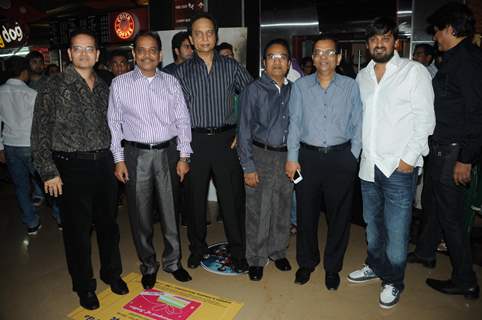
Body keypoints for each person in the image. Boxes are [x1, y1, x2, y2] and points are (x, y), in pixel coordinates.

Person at [31, 30, 127, 310]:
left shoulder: (105, 86)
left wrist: (119, 159)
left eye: (90, 49)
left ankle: (112, 274)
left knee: (109, 225)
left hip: (105, 164)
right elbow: (39, 131)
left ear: (98, 55)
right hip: (70, 166)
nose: (84, 53)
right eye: (78, 49)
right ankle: (84, 286)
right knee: (77, 232)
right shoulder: (52, 85)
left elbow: (116, 125)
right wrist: (48, 171)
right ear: (70, 54)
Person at [347, 17, 435, 309]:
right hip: (369, 166)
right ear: (368, 44)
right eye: (373, 40)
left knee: (397, 230)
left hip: (399, 167)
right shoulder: (363, 76)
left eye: (385, 38)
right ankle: (375, 265)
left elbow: (425, 121)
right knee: (372, 225)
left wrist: (409, 159)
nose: (379, 44)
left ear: (395, 41)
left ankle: (394, 281)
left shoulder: (414, 71)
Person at [108, 31, 193, 288]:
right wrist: (118, 159)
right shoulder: (120, 84)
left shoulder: (171, 82)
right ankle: (148, 265)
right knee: (140, 215)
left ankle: (173, 262)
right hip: (136, 155)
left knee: (170, 211)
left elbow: (183, 120)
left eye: (152, 50)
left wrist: (184, 155)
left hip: (167, 153)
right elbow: (113, 124)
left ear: (160, 54)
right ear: (134, 54)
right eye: (141, 50)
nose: (147, 55)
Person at [409, 3, 481, 299]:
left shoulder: (468, 61)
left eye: (438, 30)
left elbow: (478, 114)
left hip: (454, 151)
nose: (435, 36)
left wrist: (465, 158)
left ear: (451, 29)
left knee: (450, 215)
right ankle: (426, 252)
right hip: (440, 149)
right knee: (433, 203)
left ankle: (465, 279)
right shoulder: (453, 58)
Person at [174, 12, 253, 272]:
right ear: (191, 39)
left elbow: (252, 99)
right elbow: (176, 112)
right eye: (199, 33)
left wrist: (242, 132)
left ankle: (239, 252)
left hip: (226, 140)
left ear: (216, 36)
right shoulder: (181, 72)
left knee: (232, 201)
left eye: (209, 33)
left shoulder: (231, 67)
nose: (205, 38)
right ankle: (197, 249)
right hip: (194, 141)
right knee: (194, 201)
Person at [285, 35, 362, 291]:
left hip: (341, 158)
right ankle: (306, 262)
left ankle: (333, 267)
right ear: (313, 58)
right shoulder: (301, 87)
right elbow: (294, 124)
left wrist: (353, 156)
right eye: (318, 53)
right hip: (307, 159)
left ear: (338, 58)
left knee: (339, 217)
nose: (323, 58)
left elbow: (358, 123)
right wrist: (292, 158)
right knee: (306, 213)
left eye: (329, 53)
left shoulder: (351, 86)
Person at [238, 38, 293, 281]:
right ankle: (257, 258)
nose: (277, 62)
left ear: (289, 63)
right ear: (264, 63)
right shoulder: (253, 90)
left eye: (282, 57)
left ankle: (277, 251)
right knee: (258, 210)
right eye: (272, 57)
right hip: (260, 154)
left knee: (282, 206)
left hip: (287, 157)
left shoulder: (294, 90)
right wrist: (248, 165)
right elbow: (243, 130)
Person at [0, 57, 41, 235]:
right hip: (31, 145)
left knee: (20, 186)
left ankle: (31, 223)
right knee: (47, 182)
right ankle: (60, 217)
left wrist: (0, 147)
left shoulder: (0, 92)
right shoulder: (32, 94)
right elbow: (40, 124)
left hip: (10, 145)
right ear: (24, 72)